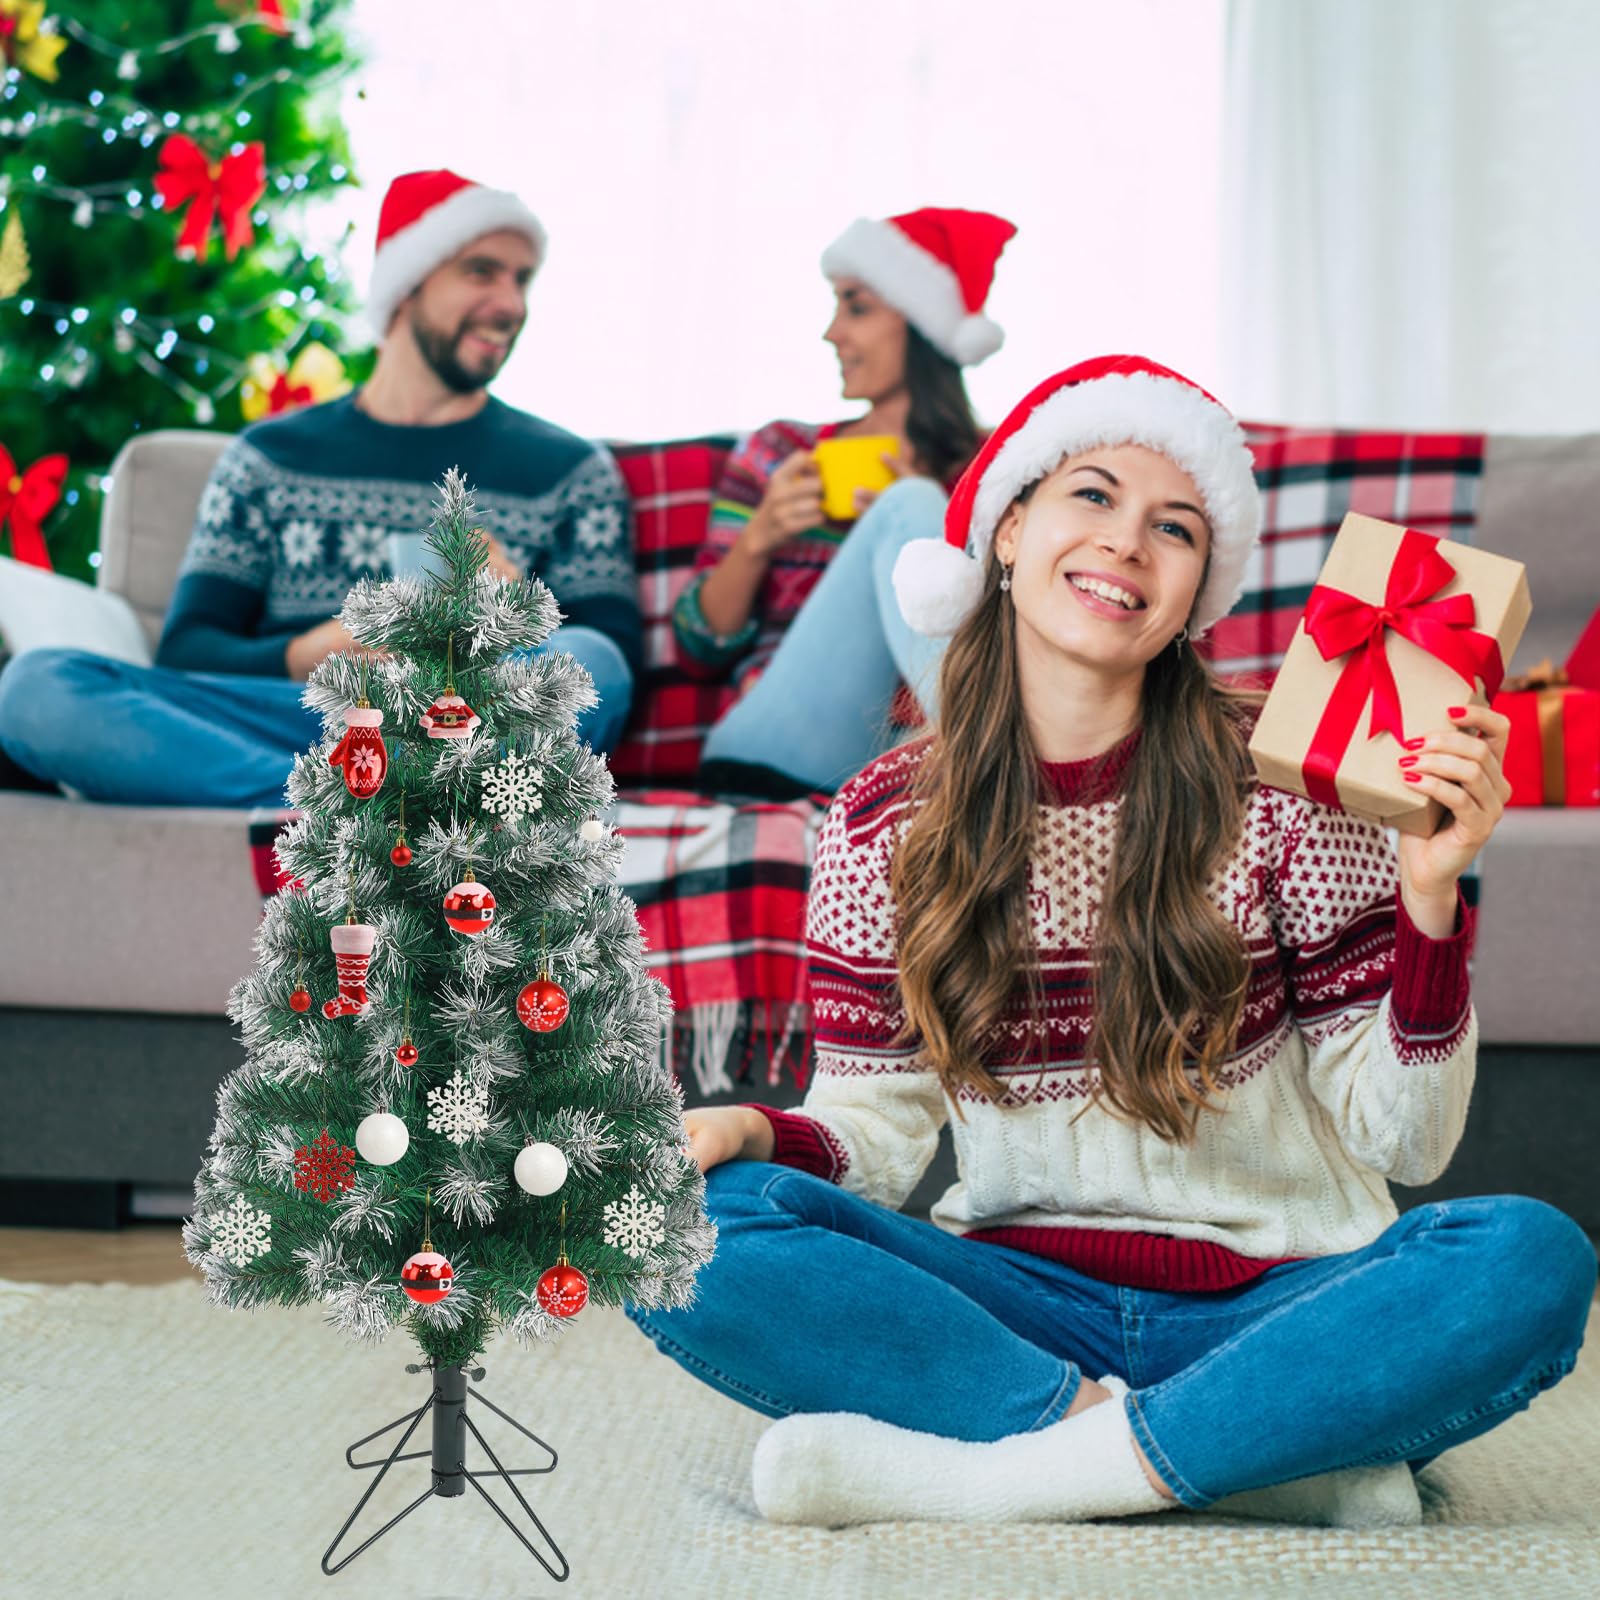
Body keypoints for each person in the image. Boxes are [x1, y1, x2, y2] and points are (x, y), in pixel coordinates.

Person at [626, 355, 1597, 1530]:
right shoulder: (880, 818)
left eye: (1173, 528)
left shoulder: (1288, 788)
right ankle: (1237, 1453)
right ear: (1006, 528)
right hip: (1019, 1296)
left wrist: (1434, 904)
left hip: (1279, 1294)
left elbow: (1407, 1139)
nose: (1127, 542)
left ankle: (1000, 1474)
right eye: (1092, 496)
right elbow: (873, 1135)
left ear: (1196, 592)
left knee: (1525, 1256)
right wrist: (740, 1123)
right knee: (657, 1217)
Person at [0, 169, 640, 807]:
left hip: (469, 734)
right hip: (295, 724)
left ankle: (376, 804)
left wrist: (510, 621)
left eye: (522, 280)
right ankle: (345, 804)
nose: (512, 304)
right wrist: (322, 650)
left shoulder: (569, 473)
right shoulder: (268, 460)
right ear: (407, 285)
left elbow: (610, 674)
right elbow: (188, 651)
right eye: (482, 272)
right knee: (36, 688)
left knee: (592, 658)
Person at [675, 207, 1016, 799]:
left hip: (913, 750)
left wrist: (933, 525)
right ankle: (1004, 755)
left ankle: (977, 755)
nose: (833, 332)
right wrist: (760, 536)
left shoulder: (994, 469)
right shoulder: (782, 451)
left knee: (913, 508)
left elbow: (1016, 625)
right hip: (776, 746)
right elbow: (697, 647)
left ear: (921, 326)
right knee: (910, 504)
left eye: (856, 308)